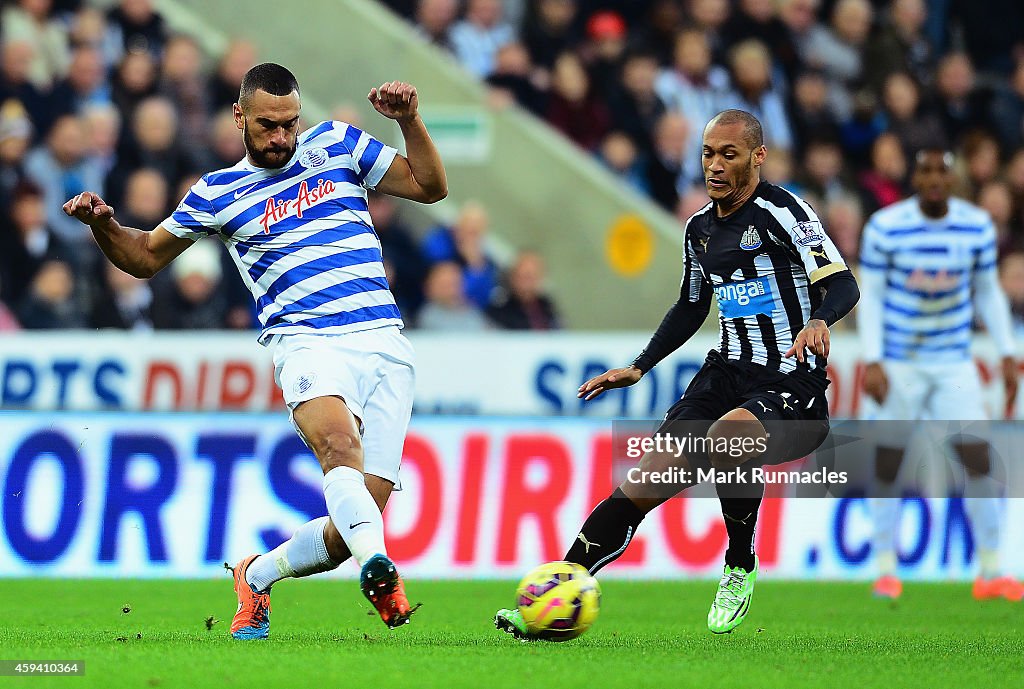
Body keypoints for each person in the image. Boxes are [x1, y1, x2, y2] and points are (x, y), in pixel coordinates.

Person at [62, 63, 447, 636]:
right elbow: (143, 258)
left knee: (351, 527)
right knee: (339, 451)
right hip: (307, 341)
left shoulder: (338, 144)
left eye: (291, 124)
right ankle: (381, 574)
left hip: (385, 342)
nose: (282, 138)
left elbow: (429, 186)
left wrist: (411, 121)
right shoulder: (218, 193)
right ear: (240, 116)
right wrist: (103, 225)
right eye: (268, 125)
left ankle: (258, 575)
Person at [494, 109, 859, 638]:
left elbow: (843, 283)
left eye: (728, 154)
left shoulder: (784, 212)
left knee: (730, 435)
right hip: (723, 376)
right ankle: (553, 596)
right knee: (643, 481)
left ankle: (739, 564)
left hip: (789, 382)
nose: (715, 165)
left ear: (757, 158)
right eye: (708, 154)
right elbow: (691, 306)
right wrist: (639, 366)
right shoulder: (698, 229)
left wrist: (820, 320)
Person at [858, 148, 1022, 602]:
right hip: (898, 360)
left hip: (953, 360)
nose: (933, 179)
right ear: (914, 175)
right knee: (888, 462)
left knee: (978, 461)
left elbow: (988, 292)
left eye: (942, 171)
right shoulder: (886, 227)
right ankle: (885, 568)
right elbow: (870, 296)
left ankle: (990, 569)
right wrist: (873, 359)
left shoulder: (976, 226)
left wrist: (1007, 350)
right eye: (925, 170)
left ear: (954, 178)